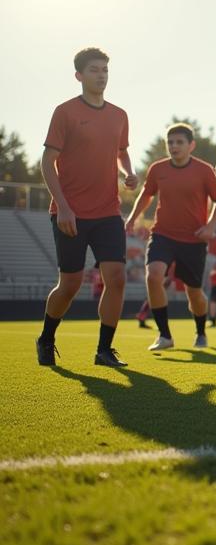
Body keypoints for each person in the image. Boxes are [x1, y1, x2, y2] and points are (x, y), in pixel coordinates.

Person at [36, 48, 137, 368]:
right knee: (70, 285)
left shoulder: (119, 115)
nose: (102, 75)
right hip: (71, 213)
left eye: (105, 69)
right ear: (79, 76)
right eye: (94, 70)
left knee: (117, 278)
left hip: (108, 211)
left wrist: (128, 172)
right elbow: (46, 162)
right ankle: (46, 338)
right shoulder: (64, 112)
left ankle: (104, 350)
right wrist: (63, 207)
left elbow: (121, 152)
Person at [125, 123, 216, 351]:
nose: (174, 146)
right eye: (170, 142)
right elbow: (146, 194)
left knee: (194, 293)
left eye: (179, 142)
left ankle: (200, 332)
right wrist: (132, 218)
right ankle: (164, 336)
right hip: (163, 235)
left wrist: (210, 226)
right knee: (153, 277)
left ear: (191, 145)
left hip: (194, 240)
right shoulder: (157, 169)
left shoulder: (204, 170)